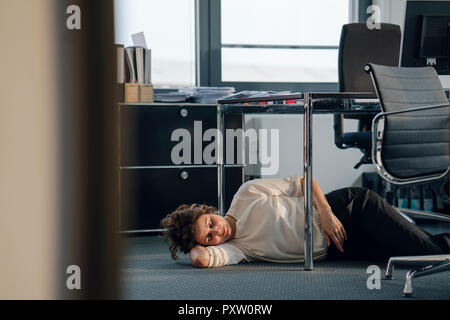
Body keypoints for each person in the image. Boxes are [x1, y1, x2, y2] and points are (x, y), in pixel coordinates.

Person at [160, 174, 450, 268]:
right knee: (414, 259)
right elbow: (200, 259)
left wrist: (325, 213)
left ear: (209, 210)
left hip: (349, 209)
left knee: (435, 256)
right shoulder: (239, 249)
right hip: (342, 248)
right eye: (209, 237)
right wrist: (192, 244)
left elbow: (303, 180)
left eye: (210, 222)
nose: (217, 231)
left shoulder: (247, 194)